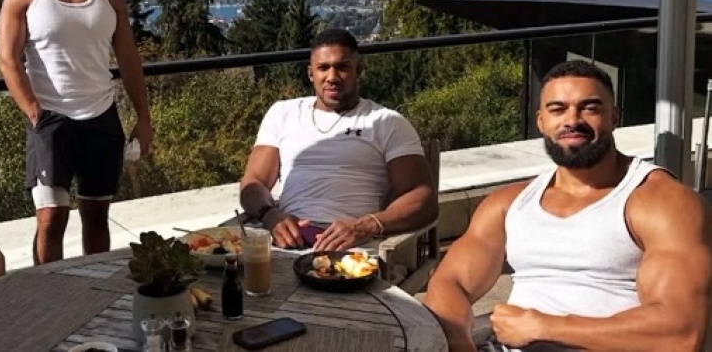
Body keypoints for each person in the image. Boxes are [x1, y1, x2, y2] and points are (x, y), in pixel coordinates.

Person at [423, 60, 712, 352]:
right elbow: (450, 282)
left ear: (614, 117)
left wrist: (544, 327)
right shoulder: (508, 204)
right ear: (541, 122)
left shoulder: (661, 202)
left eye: (589, 108)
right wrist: (459, 343)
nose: (572, 120)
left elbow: (682, 333)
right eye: (557, 109)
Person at [0, 0, 152, 265]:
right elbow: (7, 59)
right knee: (51, 219)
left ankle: (93, 288)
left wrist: (143, 118)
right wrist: (35, 114)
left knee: (97, 216)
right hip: (50, 121)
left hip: (102, 118)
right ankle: (48, 291)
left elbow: (129, 61)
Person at [239, 28, 437, 251]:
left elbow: (424, 199)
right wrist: (270, 215)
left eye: (342, 67)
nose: (332, 77)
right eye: (323, 68)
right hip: (286, 242)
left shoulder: (386, 122)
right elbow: (253, 182)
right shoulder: (283, 113)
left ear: (359, 69)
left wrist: (367, 226)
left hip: (353, 249)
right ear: (310, 73)